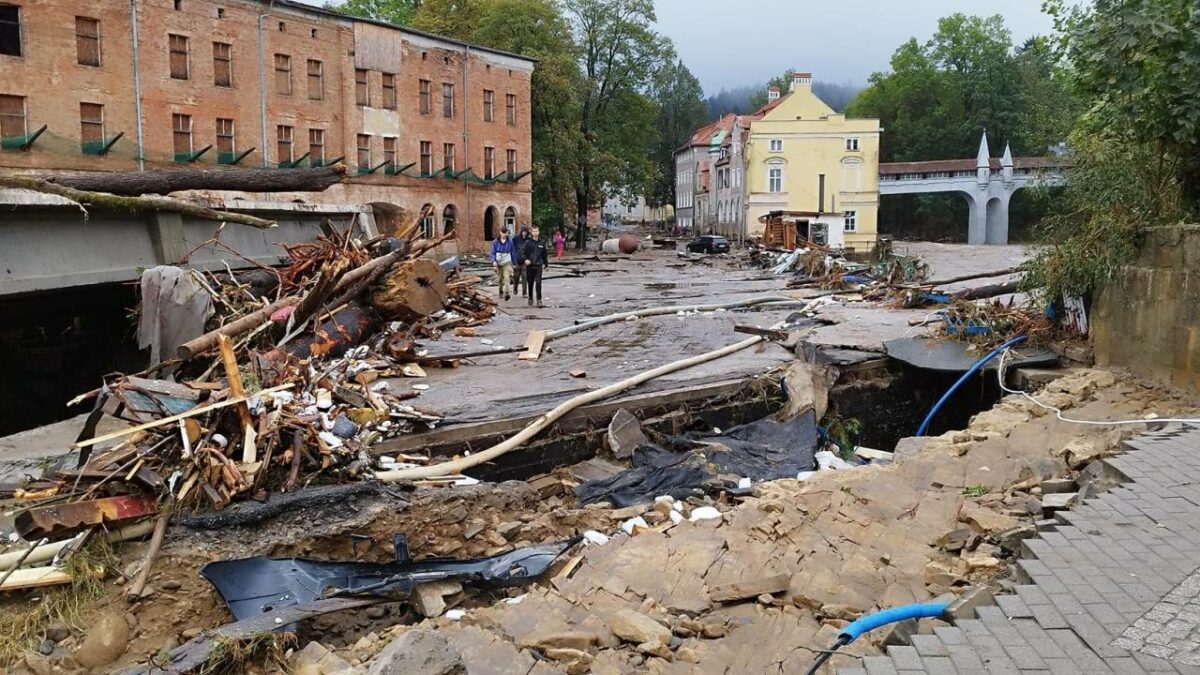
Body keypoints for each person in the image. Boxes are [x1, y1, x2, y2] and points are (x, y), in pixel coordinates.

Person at [521, 226, 549, 307]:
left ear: (539, 232)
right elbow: (522, 253)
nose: (535, 233)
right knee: (530, 282)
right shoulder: (528, 243)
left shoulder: (542, 242)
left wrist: (546, 265)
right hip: (530, 265)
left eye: (537, 231)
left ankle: (539, 299)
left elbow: (544, 254)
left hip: (538, 265)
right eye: (534, 231)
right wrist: (525, 259)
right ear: (531, 232)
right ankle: (530, 297)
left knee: (538, 282)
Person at [489, 228, 515, 301]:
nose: (503, 235)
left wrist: (514, 263)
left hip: (507, 262)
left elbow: (513, 252)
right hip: (498, 262)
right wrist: (493, 260)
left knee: (507, 277)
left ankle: (507, 293)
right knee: (500, 278)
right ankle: (500, 290)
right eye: (502, 233)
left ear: (507, 233)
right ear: (500, 233)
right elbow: (492, 252)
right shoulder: (495, 242)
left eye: (505, 233)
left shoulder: (510, 242)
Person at [511, 226, 531, 299]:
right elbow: (511, 248)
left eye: (525, 232)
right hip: (517, 261)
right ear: (521, 232)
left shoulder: (529, 240)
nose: (524, 234)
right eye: (523, 232)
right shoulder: (516, 239)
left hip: (524, 262)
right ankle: (515, 288)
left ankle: (524, 292)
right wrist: (512, 260)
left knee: (524, 277)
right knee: (516, 277)